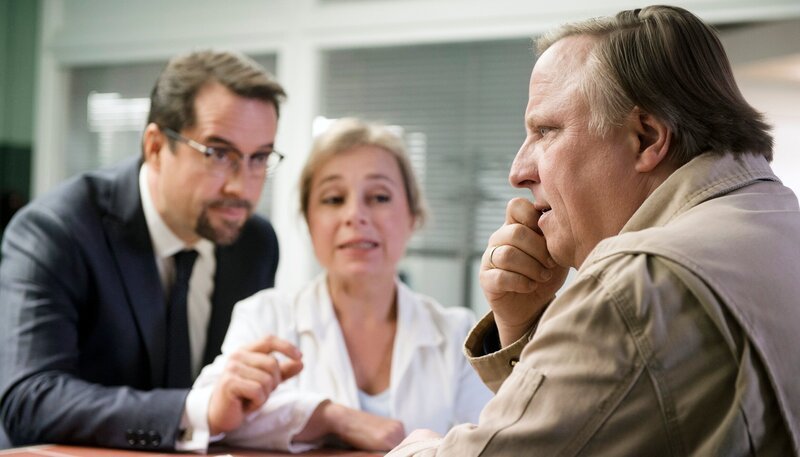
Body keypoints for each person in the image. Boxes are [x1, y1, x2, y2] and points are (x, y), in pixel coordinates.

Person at [388, 5, 800, 456]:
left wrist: (419, 448)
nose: (518, 171)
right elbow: (595, 429)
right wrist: (523, 322)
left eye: (545, 131)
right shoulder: (778, 223)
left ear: (645, 137)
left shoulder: (639, 284)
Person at [0, 50, 303, 452]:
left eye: (259, 158)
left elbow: (235, 398)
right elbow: (29, 401)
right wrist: (195, 410)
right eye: (218, 153)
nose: (242, 187)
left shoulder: (254, 243)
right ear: (156, 147)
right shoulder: (57, 231)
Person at [192, 118, 493, 452]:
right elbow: (209, 413)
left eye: (379, 197)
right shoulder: (265, 316)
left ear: (413, 215)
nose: (355, 215)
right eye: (333, 199)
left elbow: (492, 442)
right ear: (309, 221)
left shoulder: (459, 335)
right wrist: (331, 416)